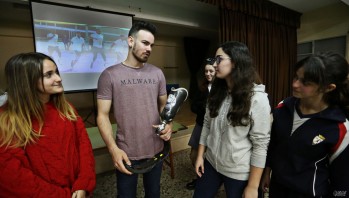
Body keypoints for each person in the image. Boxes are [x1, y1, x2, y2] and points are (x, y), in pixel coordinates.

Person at [0, 52, 96, 197]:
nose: (59, 78)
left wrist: (83, 183)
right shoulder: (7, 120)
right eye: (49, 74)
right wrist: (62, 195)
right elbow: (14, 176)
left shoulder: (66, 108)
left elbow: (84, 146)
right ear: (27, 80)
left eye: (56, 72)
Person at [96, 21, 173, 198]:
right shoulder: (110, 75)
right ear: (131, 41)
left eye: (152, 45)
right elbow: (102, 115)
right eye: (145, 43)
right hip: (126, 151)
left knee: (153, 193)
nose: (149, 49)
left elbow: (164, 105)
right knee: (125, 195)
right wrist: (113, 149)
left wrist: (167, 124)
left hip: (155, 148)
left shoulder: (157, 73)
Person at [260, 52, 349, 198]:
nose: (295, 84)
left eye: (305, 82)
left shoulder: (340, 128)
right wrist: (267, 170)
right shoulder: (284, 108)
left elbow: (342, 182)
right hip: (277, 188)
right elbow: (275, 144)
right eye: (296, 77)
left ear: (329, 88)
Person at [193, 41, 271, 198]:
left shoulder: (257, 98)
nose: (214, 64)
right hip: (211, 163)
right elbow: (207, 125)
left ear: (235, 62)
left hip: (238, 171)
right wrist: (200, 155)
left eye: (219, 59)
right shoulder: (216, 92)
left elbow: (260, 145)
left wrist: (252, 186)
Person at [186, 58, 216, 190]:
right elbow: (193, 106)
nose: (208, 74)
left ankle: (209, 181)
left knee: (212, 157)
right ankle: (201, 177)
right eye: (206, 71)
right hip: (200, 125)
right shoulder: (202, 88)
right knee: (193, 155)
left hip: (215, 128)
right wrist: (206, 109)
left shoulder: (224, 88)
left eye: (211, 71)